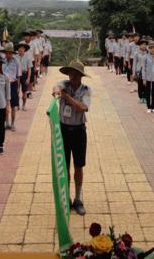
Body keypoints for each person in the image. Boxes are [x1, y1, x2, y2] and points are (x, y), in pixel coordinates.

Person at [52, 60, 91, 216]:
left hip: (79, 131)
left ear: (81, 76)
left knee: (78, 166)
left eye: (75, 74)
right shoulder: (64, 84)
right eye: (70, 73)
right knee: (65, 166)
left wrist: (67, 98)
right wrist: (57, 92)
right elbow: (56, 88)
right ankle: (66, 198)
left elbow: (83, 108)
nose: (72, 76)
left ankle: (78, 199)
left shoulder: (86, 90)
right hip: (63, 130)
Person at [1, 44, 20, 131]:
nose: (8, 54)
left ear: (12, 53)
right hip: (4, 84)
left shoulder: (16, 62)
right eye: (7, 53)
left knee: (13, 106)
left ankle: (12, 123)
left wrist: (18, 88)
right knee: (5, 104)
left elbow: (18, 76)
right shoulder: (2, 61)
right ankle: (6, 123)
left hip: (13, 84)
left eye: (10, 53)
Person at [16, 42, 32, 111]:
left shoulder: (28, 57)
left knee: (24, 91)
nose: (21, 50)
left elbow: (29, 69)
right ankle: (17, 105)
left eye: (22, 48)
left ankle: (24, 105)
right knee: (16, 91)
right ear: (18, 49)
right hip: (16, 75)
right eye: (20, 48)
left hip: (24, 75)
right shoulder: (15, 57)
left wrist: (28, 78)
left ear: (24, 50)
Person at [132, 39, 148, 104]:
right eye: (142, 44)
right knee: (140, 85)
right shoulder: (136, 53)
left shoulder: (148, 53)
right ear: (140, 45)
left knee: (146, 85)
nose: (144, 46)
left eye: (145, 44)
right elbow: (134, 63)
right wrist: (134, 73)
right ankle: (141, 97)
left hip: (146, 71)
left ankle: (145, 97)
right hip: (139, 71)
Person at [143, 42, 154, 114]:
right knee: (148, 92)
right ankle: (148, 107)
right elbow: (143, 68)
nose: (152, 49)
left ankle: (153, 107)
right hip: (148, 77)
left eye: (153, 48)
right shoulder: (145, 57)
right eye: (151, 48)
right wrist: (144, 79)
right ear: (148, 49)